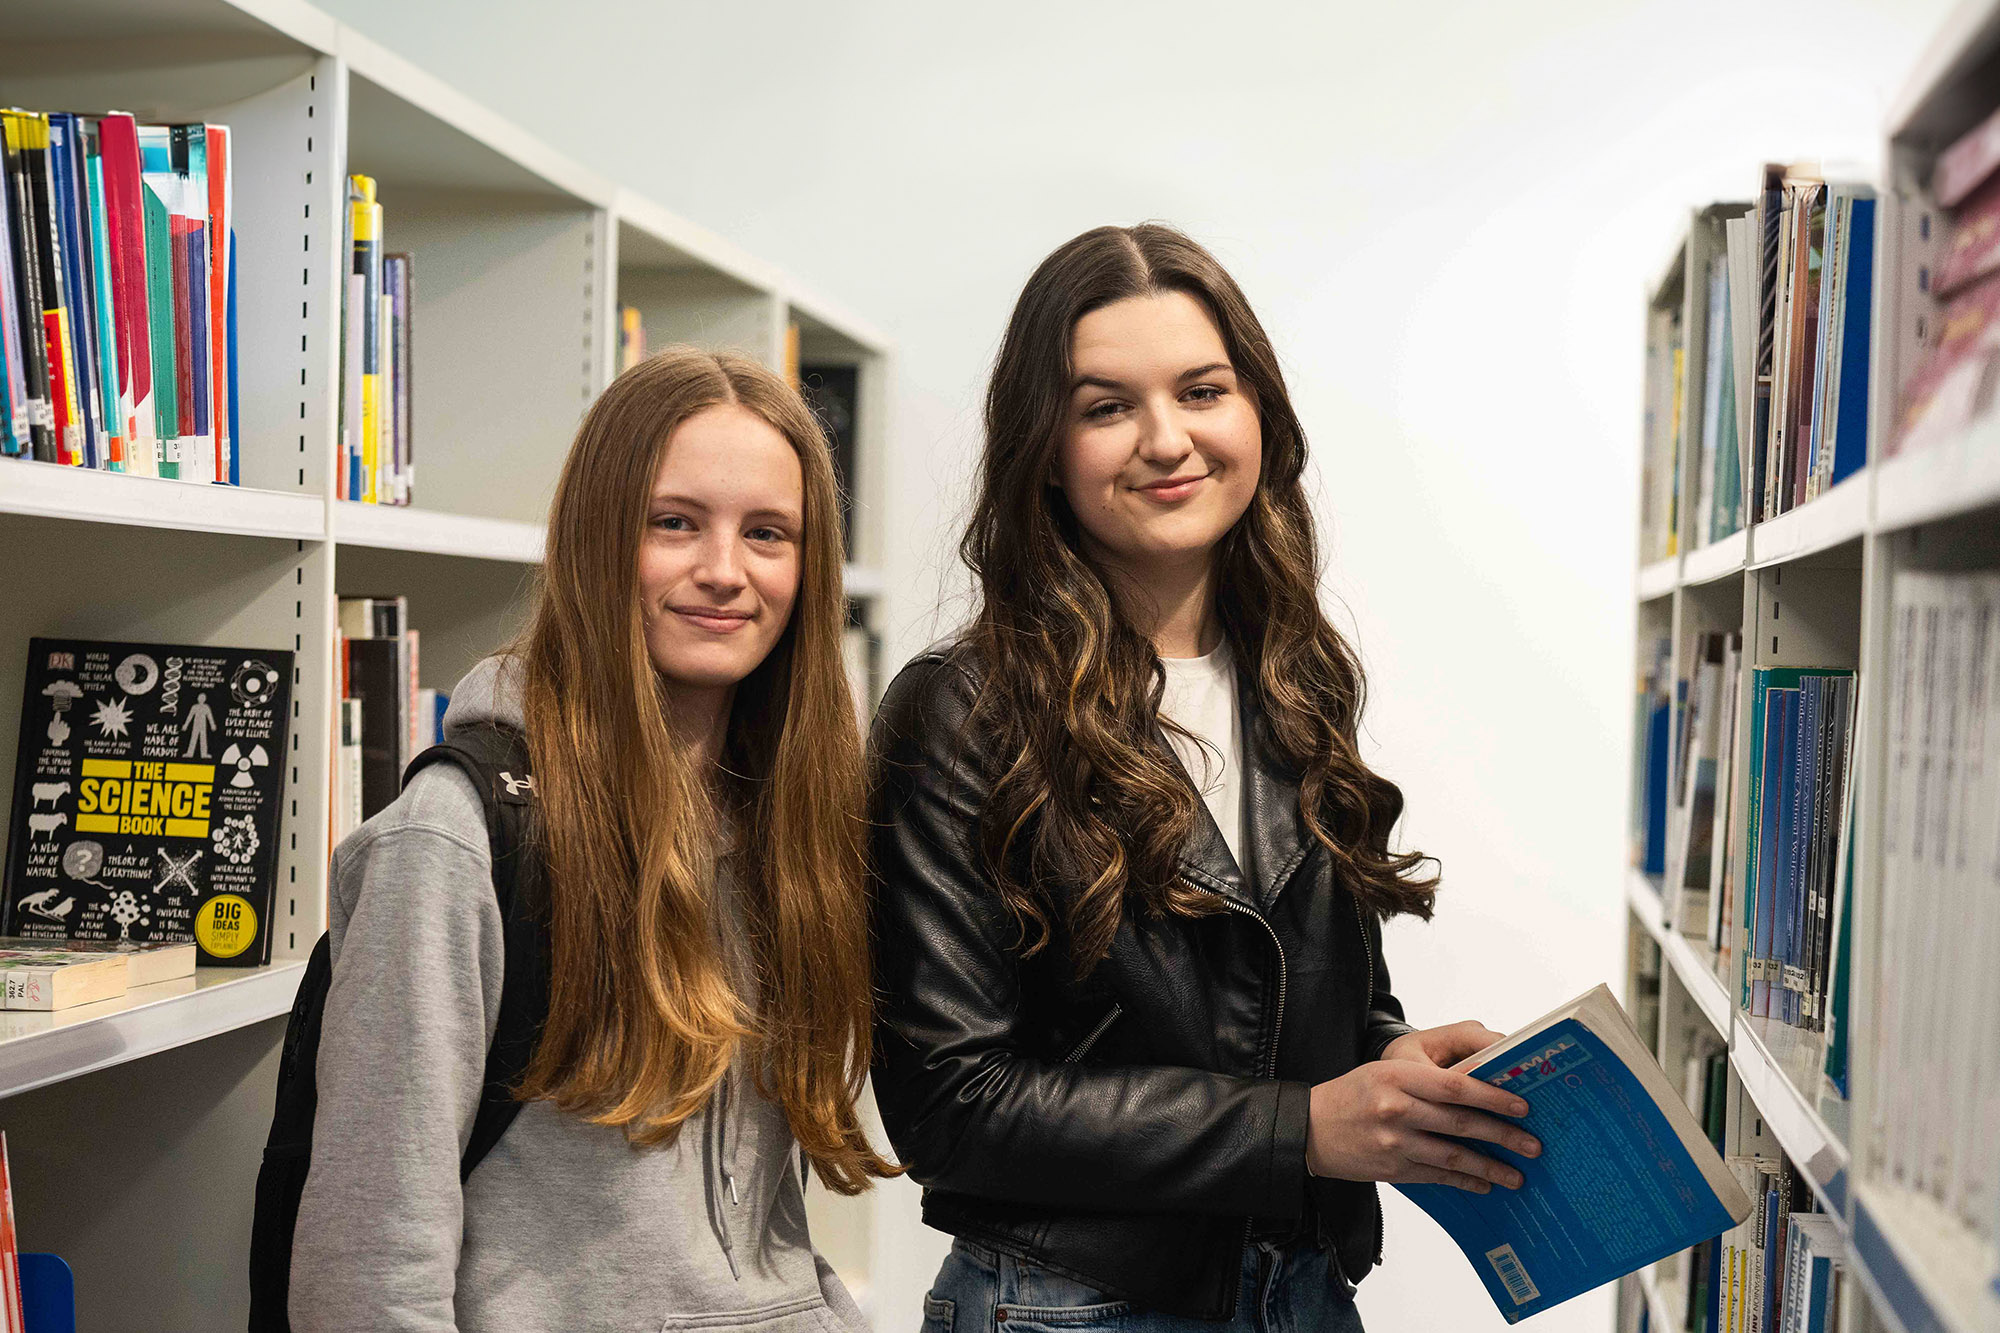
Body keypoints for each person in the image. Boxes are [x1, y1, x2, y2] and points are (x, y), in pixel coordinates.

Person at [868, 225, 1542, 1332]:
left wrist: (1390, 1057)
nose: (1165, 439)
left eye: (1200, 390)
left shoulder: (1296, 675)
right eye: (1104, 407)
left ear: (1257, 414)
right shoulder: (961, 709)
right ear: (1043, 447)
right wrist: (1304, 1128)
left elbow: (1292, 993)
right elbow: (950, 1102)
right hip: (1067, 1307)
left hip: (1300, 1292)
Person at [291, 348, 895, 1332]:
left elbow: (754, 1243)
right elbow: (368, 1267)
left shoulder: (791, 830)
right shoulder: (454, 841)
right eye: (674, 522)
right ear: (596, 536)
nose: (723, 571)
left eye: (768, 533)